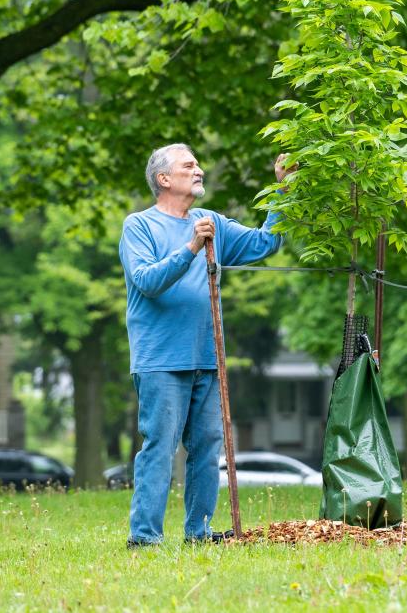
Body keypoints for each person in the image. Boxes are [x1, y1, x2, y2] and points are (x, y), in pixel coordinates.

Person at [119, 143, 292, 547]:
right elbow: (146, 282)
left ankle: (198, 533)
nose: (199, 170)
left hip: (208, 358)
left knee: (207, 447)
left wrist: (284, 192)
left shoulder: (209, 221)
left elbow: (266, 243)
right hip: (161, 359)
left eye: (198, 164)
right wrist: (191, 248)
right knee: (160, 448)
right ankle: (144, 537)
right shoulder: (139, 226)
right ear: (164, 179)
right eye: (188, 165)